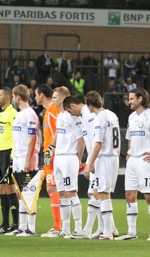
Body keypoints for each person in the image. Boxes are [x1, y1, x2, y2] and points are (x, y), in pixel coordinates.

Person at [118, 88, 150, 241]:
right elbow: (129, 135)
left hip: (146, 160)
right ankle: (131, 232)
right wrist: (130, 151)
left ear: (140, 99)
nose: (129, 102)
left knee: (149, 195)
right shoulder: (131, 117)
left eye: (131, 99)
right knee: (129, 194)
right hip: (133, 160)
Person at [44, 87, 85, 238]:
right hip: (59, 157)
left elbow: (81, 139)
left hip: (69, 156)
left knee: (71, 192)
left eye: (54, 97)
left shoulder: (73, 117)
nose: (52, 99)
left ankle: (79, 229)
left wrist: (79, 159)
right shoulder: (60, 115)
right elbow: (56, 136)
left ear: (62, 99)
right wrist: (50, 150)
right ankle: (66, 228)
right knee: (61, 193)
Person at [83, 91, 121, 240]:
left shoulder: (99, 118)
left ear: (90, 105)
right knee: (104, 193)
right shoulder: (112, 115)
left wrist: (89, 163)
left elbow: (98, 144)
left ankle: (107, 232)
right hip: (114, 157)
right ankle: (108, 229)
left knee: (103, 194)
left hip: (105, 158)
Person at [5, 85, 40, 236]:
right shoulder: (19, 115)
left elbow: (32, 138)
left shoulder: (30, 114)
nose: (12, 99)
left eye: (13, 96)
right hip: (18, 157)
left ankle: (31, 228)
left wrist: (28, 159)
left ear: (18, 97)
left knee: (28, 191)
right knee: (20, 192)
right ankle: (22, 226)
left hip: (28, 158)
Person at [64, 96, 99, 239]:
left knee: (97, 194)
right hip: (95, 158)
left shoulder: (89, 116)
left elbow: (98, 139)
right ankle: (108, 228)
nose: (70, 114)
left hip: (98, 159)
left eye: (69, 111)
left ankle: (87, 229)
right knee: (96, 194)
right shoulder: (84, 116)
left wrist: (92, 161)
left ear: (73, 105)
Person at [35, 84, 63, 237]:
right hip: (48, 154)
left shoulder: (54, 109)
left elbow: (60, 128)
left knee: (54, 188)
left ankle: (58, 227)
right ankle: (58, 226)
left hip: (53, 153)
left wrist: (51, 149)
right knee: (51, 188)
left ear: (42, 95)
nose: (34, 97)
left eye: (36, 94)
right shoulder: (46, 112)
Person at [0, 87, 19, 233]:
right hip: (0, 154)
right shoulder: (2, 115)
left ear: (8, 97)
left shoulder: (13, 114)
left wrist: (12, 158)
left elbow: (17, 137)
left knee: (10, 188)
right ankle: (4, 224)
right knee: (2, 189)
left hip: (9, 153)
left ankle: (15, 224)